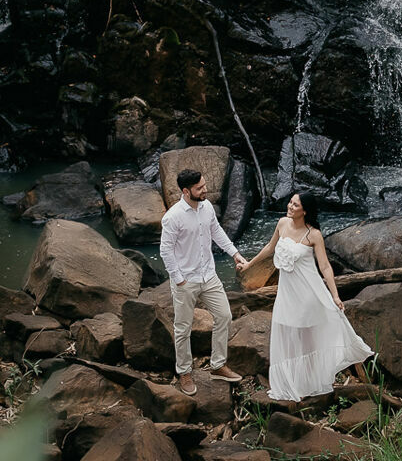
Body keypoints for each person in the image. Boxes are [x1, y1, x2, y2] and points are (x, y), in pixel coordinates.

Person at [251, 191, 373, 401]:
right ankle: (290, 382)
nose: (289, 206)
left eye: (295, 205)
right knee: (286, 333)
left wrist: (335, 296)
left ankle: (309, 382)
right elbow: (270, 248)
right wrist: (248, 265)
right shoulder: (281, 223)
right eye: (290, 202)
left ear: (305, 211)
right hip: (286, 294)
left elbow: (325, 267)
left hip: (308, 294)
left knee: (306, 338)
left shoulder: (313, 234)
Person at [159, 167, 249, 395]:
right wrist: (178, 279)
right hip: (185, 280)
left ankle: (218, 365)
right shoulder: (172, 217)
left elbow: (216, 231)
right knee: (183, 328)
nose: (205, 190)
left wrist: (235, 253)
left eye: (205, 185)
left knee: (225, 316)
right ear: (186, 191)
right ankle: (184, 372)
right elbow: (165, 251)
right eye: (200, 188)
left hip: (209, 275)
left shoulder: (207, 206)